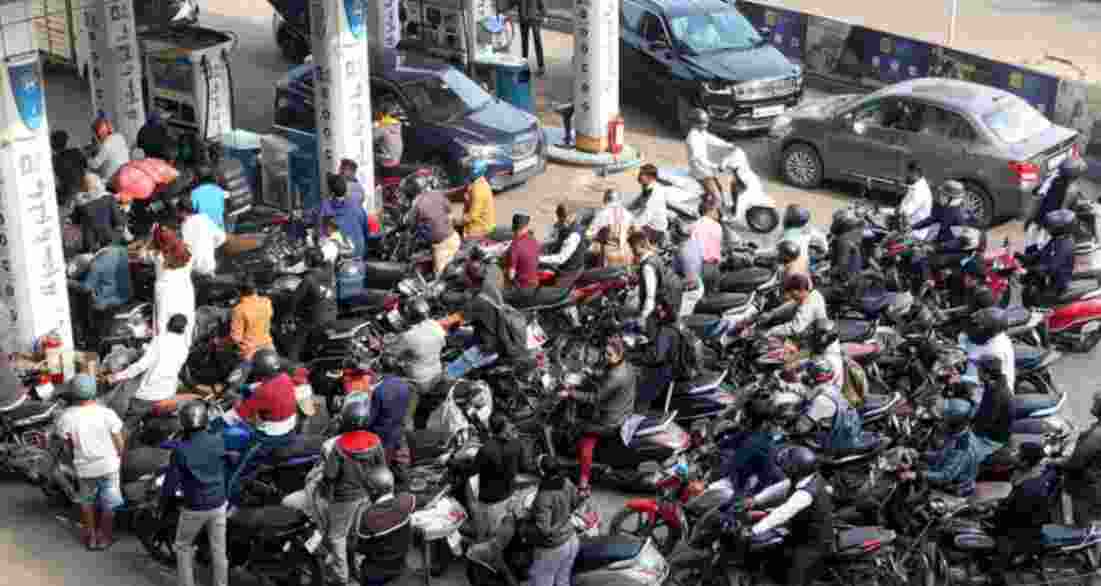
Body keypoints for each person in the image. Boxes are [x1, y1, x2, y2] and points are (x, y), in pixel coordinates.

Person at [739, 446, 833, 586]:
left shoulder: (805, 494)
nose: (783, 469)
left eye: (786, 466)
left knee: (794, 578)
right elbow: (780, 488)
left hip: (813, 542)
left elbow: (783, 513)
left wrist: (754, 530)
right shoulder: (804, 477)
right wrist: (756, 500)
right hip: (798, 531)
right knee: (772, 555)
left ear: (795, 469)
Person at [161, 401, 228, 586]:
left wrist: (163, 503)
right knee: (219, 550)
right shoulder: (217, 440)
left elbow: (170, 483)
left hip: (195, 507)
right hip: (219, 503)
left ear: (183, 423)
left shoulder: (180, 450)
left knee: (182, 546)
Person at [56, 374, 125, 550]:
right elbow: (119, 442)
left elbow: (67, 445)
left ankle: (91, 538)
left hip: (84, 469)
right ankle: (104, 538)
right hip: (108, 466)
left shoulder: (66, 417)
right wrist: (120, 456)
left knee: (87, 503)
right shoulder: (107, 413)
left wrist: (75, 459)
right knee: (109, 504)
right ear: (94, 392)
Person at [561, 335, 636, 495]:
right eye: (605, 353)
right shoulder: (626, 366)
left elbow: (595, 398)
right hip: (625, 410)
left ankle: (583, 483)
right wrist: (591, 373)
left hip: (610, 420)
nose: (606, 357)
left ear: (619, 353)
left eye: (609, 354)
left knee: (584, 437)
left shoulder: (616, 376)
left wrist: (570, 393)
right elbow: (605, 377)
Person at [322, 401, 386, 586]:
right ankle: (358, 571)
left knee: (337, 536)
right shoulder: (375, 441)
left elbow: (330, 475)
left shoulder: (340, 445)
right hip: (367, 495)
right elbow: (381, 469)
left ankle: (341, 577)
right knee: (358, 533)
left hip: (344, 498)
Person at [222, 349, 298, 501]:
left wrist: (214, 422)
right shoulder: (284, 378)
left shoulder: (265, 392)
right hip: (289, 430)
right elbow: (259, 387)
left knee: (237, 471)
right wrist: (244, 388)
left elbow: (238, 415)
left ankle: (228, 501)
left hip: (270, 438)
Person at [108, 313, 190, 432]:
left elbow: (141, 366)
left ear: (168, 325)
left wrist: (116, 377)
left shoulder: (160, 340)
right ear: (184, 328)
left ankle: (123, 447)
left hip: (148, 394)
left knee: (127, 428)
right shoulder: (184, 345)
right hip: (167, 393)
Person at [901, 398, 998, 497]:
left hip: (953, 486)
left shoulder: (962, 448)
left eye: (944, 420)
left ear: (954, 423)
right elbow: (943, 455)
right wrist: (920, 455)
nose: (941, 423)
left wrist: (916, 475)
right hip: (945, 470)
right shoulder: (960, 434)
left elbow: (945, 475)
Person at [990, 443, 1056, 586]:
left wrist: (992, 513)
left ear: (1025, 462)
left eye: (1017, 454)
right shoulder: (1024, 474)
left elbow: (1012, 515)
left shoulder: (1030, 487)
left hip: (1019, 533)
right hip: (1020, 522)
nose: (1013, 455)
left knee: (998, 563)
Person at [385, 297, 445, 429]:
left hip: (417, 381)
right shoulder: (436, 326)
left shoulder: (409, 336)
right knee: (423, 412)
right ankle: (420, 430)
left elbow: (390, 356)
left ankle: (402, 432)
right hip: (436, 374)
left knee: (403, 414)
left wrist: (390, 354)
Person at [353, 466, 416, 586]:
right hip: (400, 568)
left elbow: (360, 547)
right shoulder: (406, 501)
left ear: (372, 491)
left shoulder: (369, 516)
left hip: (376, 574)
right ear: (392, 485)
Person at [528, 455, 581, 586]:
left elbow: (544, 530)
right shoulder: (567, 482)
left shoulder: (544, 496)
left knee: (542, 581)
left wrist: (524, 528)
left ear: (542, 472)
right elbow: (575, 503)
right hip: (571, 540)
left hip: (553, 548)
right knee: (562, 581)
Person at [796, 359, 865, 455]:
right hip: (847, 433)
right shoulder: (833, 388)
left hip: (834, 444)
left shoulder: (821, 401)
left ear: (811, 380)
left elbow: (801, 429)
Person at [717, 397, 784, 497]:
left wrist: (749, 496)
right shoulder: (749, 432)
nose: (742, 417)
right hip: (725, 475)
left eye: (745, 415)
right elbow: (727, 443)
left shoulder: (765, 447)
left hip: (732, 487)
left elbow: (765, 478)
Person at [473, 413, 524, 539]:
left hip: (490, 502)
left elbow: (472, 470)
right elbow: (524, 466)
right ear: (505, 427)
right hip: (508, 495)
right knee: (502, 535)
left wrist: (453, 460)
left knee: (488, 537)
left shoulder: (486, 449)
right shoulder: (516, 444)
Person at [74, 236, 131, 345]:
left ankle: (98, 343)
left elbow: (87, 287)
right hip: (125, 297)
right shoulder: (121, 251)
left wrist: (68, 282)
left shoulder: (97, 263)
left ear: (97, 245)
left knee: (101, 329)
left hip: (105, 303)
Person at [144, 226, 196, 340]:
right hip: (185, 291)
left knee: (163, 328)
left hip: (165, 294)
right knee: (186, 324)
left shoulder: (158, 256)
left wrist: (151, 237)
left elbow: (142, 253)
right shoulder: (189, 251)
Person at [287, 248, 338, 361]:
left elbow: (295, 299)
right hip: (332, 314)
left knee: (296, 341)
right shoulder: (329, 271)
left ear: (308, 261)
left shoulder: (308, 279)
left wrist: (289, 315)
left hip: (316, 318)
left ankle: (292, 365)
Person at [1059, 389, 1101, 528]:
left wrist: (1056, 462)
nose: (1092, 405)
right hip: (1094, 484)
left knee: (1084, 526)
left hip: (1086, 489)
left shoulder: (1096, 436)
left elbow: (1075, 463)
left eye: (1095, 402)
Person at [1027, 157, 1088, 250]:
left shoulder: (1053, 179)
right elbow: (1062, 212)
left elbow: (1038, 199)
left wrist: (1030, 218)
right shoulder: (1071, 190)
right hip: (1049, 228)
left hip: (1039, 223)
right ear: (1075, 175)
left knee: (1031, 248)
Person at [1020, 208, 1076, 306]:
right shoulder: (1056, 239)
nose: (1048, 230)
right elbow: (1041, 253)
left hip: (1056, 286)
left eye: (1051, 228)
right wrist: (1023, 257)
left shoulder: (1065, 245)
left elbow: (1052, 268)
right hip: (1047, 279)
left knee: (1036, 302)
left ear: (1060, 229)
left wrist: (1034, 269)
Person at [960, 306, 1015, 393]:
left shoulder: (994, 353)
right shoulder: (993, 336)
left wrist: (959, 378)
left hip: (986, 397)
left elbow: (980, 381)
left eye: (978, 325)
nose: (974, 328)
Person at [227, 276, 274, 377]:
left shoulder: (239, 309)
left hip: (249, 354)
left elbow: (235, 338)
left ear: (238, 292)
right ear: (255, 289)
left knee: (231, 386)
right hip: (269, 347)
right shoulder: (266, 302)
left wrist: (220, 342)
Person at [911, 180, 978, 250]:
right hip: (939, 242)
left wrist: (934, 247)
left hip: (948, 251)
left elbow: (959, 241)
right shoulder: (945, 208)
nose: (940, 197)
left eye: (943, 195)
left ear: (951, 199)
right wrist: (913, 227)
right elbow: (931, 219)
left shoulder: (959, 217)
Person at [684, 108, 735, 201]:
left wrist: (727, 145)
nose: (706, 125)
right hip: (700, 171)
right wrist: (715, 166)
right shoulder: (692, 138)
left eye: (706, 122)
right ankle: (709, 215)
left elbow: (711, 139)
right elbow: (699, 159)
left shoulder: (701, 132)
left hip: (706, 169)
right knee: (717, 198)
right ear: (695, 123)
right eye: (703, 123)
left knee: (720, 189)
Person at [412, 178, 461, 274]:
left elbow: (411, 222)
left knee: (439, 278)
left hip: (443, 245)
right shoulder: (438, 194)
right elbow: (450, 213)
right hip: (454, 238)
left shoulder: (417, 203)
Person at [318, 173, 373, 258]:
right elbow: (365, 230)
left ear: (331, 192)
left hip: (340, 255)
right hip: (359, 252)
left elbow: (322, 233)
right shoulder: (356, 205)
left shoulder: (326, 206)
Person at [73, 173, 126, 252]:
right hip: (109, 239)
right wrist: (123, 212)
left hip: (89, 244)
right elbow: (118, 221)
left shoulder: (80, 203)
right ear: (99, 184)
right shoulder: (109, 199)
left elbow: (76, 221)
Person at [540, 203, 589, 288]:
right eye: (560, 216)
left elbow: (561, 258)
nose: (562, 219)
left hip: (570, 272)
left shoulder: (573, 235)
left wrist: (538, 258)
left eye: (565, 216)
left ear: (573, 216)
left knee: (550, 295)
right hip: (562, 266)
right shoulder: (562, 226)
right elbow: (551, 240)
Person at [765, 274, 828, 340]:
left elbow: (795, 328)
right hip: (809, 331)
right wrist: (772, 313)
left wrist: (772, 331)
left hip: (816, 339)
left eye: (792, 293)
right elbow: (791, 305)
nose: (790, 295)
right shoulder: (811, 293)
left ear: (801, 290)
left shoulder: (809, 304)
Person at [631, 229, 673, 325]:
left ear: (639, 246)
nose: (631, 251)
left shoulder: (647, 266)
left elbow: (650, 295)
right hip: (661, 306)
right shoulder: (655, 257)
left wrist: (643, 316)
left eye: (632, 247)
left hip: (653, 312)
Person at [177, 198, 226, 277]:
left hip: (196, 270)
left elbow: (187, 249)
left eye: (178, 212)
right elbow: (222, 238)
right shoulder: (204, 218)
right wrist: (209, 245)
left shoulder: (185, 225)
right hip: (211, 265)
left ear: (183, 212)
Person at [587, 190, 634, 267]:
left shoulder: (602, 214)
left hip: (609, 254)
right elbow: (636, 231)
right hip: (626, 253)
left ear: (606, 199)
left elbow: (589, 235)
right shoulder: (628, 214)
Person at [630, 164, 669, 244]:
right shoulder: (648, 187)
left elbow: (647, 215)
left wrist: (632, 225)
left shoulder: (655, 193)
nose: (639, 176)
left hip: (654, 230)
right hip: (649, 224)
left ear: (651, 178)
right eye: (640, 173)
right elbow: (636, 202)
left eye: (641, 174)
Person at [672, 220, 704, 316]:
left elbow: (691, 282)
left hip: (690, 293)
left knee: (679, 320)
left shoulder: (684, 253)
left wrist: (670, 282)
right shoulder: (692, 242)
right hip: (695, 283)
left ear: (676, 234)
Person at [693, 197, 723, 293]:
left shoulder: (695, 225)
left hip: (701, 267)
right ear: (710, 210)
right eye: (717, 210)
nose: (719, 213)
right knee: (712, 297)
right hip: (714, 268)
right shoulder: (718, 226)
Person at [828, 209, 865, 286]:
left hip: (846, 282)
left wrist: (828, 273)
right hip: (849, 275)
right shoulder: (850, 236)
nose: (833, 223)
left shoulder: (844, 240)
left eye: (835, 221)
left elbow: (842, 264)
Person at [87, 116, 130, 183]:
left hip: (113, 180)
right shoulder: (120, 137)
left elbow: (95, 165)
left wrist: (87, 158)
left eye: (95, 135)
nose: (95, 137)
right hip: (126, 175)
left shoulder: (106, 144)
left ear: (99, 133)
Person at [899, 161, 934, 240]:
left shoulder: (920, 191)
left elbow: (906, 213)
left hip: (913, 238)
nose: (906, 175)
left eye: (908, 173)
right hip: (909, 232)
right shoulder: (916, 186)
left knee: (888, 248)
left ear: (915, 173)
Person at [461, 159, 496, 239]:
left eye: (468, 169)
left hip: (478, 229)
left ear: (475, 171)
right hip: (478, 224)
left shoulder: (478, 190)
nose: (465, 171)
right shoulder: (478, 181)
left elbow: (472, 216)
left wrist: (455, 221)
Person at [52, 130, 88, 206]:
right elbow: (86, 166)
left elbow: (57, 179)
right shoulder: (76, 151)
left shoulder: (55, 159)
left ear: (53, 145)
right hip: (83, 189)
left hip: (68, 195)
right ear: (66, 142)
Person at [507, 211, 541, 289]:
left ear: (513, 228)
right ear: (526, 227)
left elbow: (511, 275)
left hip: (521, 288)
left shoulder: (514, 246)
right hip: (535, 284)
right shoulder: (534, 241)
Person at [189, 164, 227, 230]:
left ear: (197, 178)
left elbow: (194, 210)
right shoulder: (218, 189)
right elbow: (224, 208)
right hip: (219, 225)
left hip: (204, 227)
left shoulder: (195, 192)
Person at [514, 0, 546, 76]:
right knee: (525, 43)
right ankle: (524, 66)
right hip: (523, 17)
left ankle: (541, 67)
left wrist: (544, 14)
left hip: (533, 17)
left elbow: (540, 2)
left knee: (537, 41)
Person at [373, 105, 404, 178]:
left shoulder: (382, 127)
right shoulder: (397, 124)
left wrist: (375, 125)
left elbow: (370, 138)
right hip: (396, 161)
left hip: (386, 162)